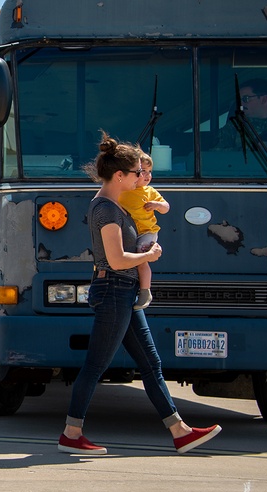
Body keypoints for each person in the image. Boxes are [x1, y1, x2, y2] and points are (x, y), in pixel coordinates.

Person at [58, 132, 221, 456]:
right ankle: (71, 435)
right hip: (114, 290)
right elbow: (117, 259)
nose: (141, 178)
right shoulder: (106, 210)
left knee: (151, 365)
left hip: (124, 292)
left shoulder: (115, 206)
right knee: (95, 366)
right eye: (136, 173)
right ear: (120, 176)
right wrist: (148, 256)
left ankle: (180, 431)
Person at [118, 151, 168, 311]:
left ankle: (145, 292)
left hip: (147, 232)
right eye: (142, 171)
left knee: (142, 257)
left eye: (149, 171)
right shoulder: (123, 190)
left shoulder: (150, 191)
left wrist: (157, 205)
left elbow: (166, 207)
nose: (146, 175)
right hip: (130, 232)